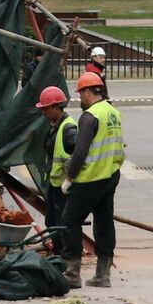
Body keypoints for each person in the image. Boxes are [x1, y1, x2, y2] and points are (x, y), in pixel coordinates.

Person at [60, 72, 125, 289]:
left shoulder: (90, 116)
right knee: (105, 223)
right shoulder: (113, 112)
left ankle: (72, 274)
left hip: (89, 179)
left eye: (81, 94)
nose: (80, 99)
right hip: (110, 177)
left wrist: (69, 177)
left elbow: (80, 153)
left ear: (88, 91)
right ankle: (103, 275)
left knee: (70, 221)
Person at [35, 85, 77, 255]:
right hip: (54, 184)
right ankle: (58, 254)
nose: (43, 112)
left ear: (56, 107)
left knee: (62, 224)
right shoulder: (55, 125)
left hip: (63, 187)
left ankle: (64, 258)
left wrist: (70, 178)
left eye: (46, 109)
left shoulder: (68, 129)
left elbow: (80, 154)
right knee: (52, 221)